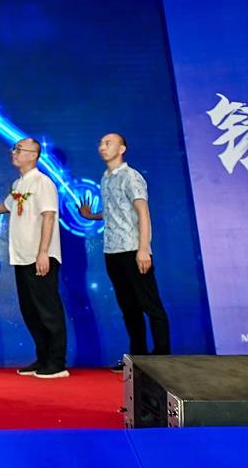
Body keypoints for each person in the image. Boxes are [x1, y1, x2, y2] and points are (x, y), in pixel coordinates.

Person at [0, 137, 68, 378]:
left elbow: (48, 217)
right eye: (14, 149)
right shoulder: (18, 184)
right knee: (30, 310)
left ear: (34, 155)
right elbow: (6, 206)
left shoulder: (43, 182)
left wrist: (43, 252)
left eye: (19, 149)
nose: (13, 152)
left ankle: (57, 363)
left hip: (40, 256)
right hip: (22, 257)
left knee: (48, 310)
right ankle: (42, 358)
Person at [79, 133, 171, 370]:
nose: (102, 147)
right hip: (112, 251)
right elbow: (115, 211)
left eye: (108, 143)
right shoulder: (105, 177)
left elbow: (142, 212)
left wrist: (144, 248)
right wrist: (92, 216)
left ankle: (163, 357)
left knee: (150, 304)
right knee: (128, 307)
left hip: (133, 250)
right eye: (100, 143)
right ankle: (137, 358)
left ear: (122, 149)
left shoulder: (131, 176)